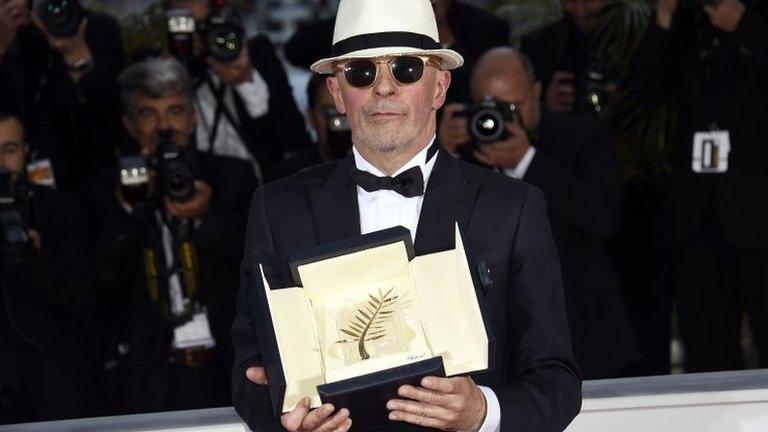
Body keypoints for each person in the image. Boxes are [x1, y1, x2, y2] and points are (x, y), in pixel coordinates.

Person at [232, 1, 581, 432]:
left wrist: (482, 411)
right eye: (362, 72)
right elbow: (249, 370)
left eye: (406, 70)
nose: (384, 89)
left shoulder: (512, 209)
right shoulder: (277, 209)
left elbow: (557, 382)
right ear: (338, 92)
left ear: (439, 87)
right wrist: (285, 421)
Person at [439, 46, 638, 379]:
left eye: (512, 105)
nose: (500, 118)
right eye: (488, 107)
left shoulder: (583, 136)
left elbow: (602, 216)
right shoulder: (460, 154)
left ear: (537, 91)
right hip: (496, 351)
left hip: (584, 335)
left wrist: (526, 160)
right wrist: (442, 153)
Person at [91, 57, 257, 414]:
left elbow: (260, 263)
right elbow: (97, 284)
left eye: (175, 111)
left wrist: (205, 216)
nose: (164, 127)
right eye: (149, 114)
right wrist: (127, 211)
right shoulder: (104, 191)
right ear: (129, 124)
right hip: (147, 373)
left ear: (193, 117)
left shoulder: (231, 177)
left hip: (226, 368)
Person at [630, 0, 768, 373]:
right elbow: (641, 92)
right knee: (707, 341)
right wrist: (663, 19)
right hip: (696, 208)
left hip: (758, 204)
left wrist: (745, 27)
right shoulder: (683, 22)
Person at [0, 109, 101, 423]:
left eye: (9, 149)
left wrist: (33, 259)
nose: (0, 163)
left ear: (27, 152)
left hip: (54, 375)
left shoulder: (61, 208)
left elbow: (83, 297)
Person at [166, 0, 311, 183]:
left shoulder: (256, 54)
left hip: (261, 182)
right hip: (202, 185)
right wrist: (175, 67)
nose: (199, 35)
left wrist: (246, 81)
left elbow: (293, 138)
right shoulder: (169, 70)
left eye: (205, 26)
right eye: (184, 25)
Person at [0, 0, 124, 190]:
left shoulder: (92, 27)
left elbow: (112, 118)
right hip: (11, 182)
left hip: (88, 181)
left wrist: (76, 53)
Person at [284, 0, 511, 104]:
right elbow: (295, 49)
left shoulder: (484, 28)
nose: (385, 86)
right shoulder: (363, 18)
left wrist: (439, 35)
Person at [520, 0, 617, 116]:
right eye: (570, 1)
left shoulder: (638, 38)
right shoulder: (538, 44)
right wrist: (543, 103)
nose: (580, 12)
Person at [270, 73, 353, 179]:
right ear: (310, 117)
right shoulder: (288, 178)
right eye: (329, 112)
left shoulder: (379, 168)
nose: (338, 121)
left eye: (347, 111)